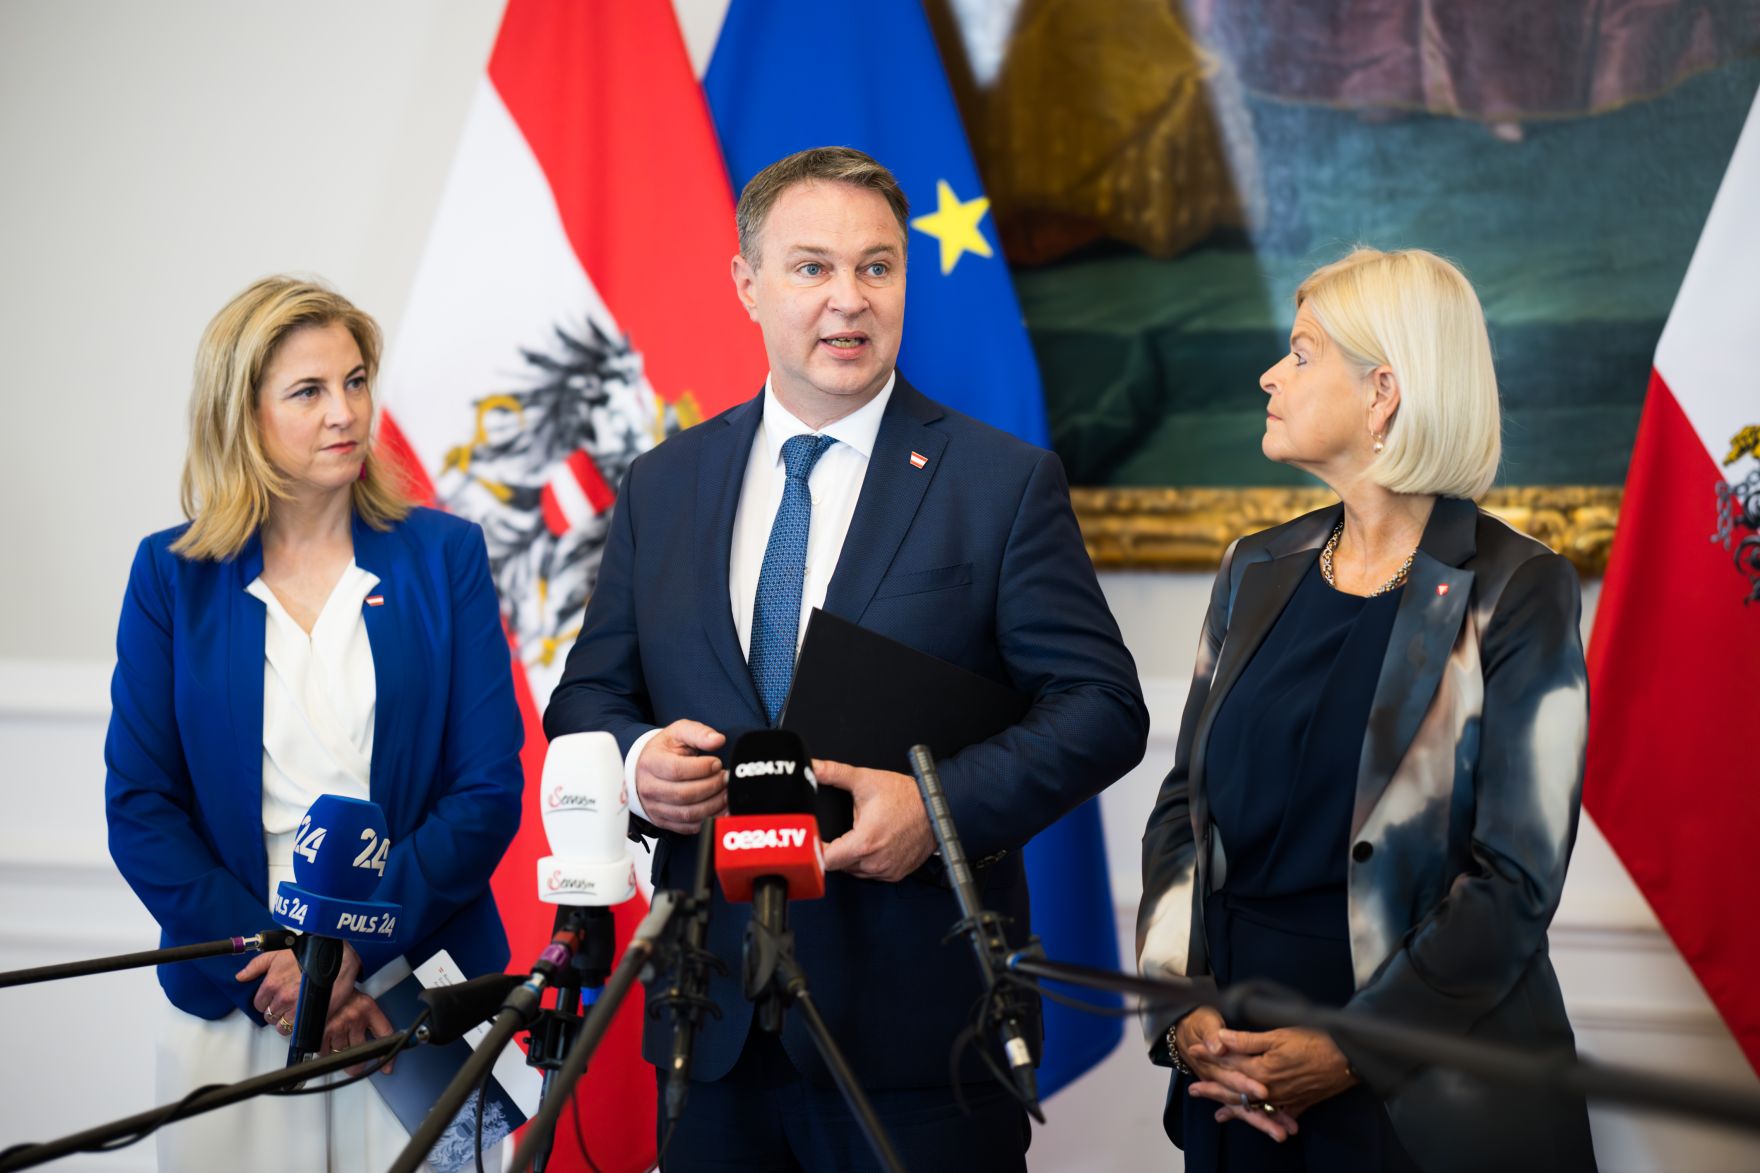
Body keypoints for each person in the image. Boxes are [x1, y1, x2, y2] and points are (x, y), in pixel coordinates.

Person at [545, 146, 1150, 1171]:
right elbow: (589, 696)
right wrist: (637, 758)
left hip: (918, 1040)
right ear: (746, 285)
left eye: (877, 267)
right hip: (712, 1027)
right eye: (811, 267)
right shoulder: (662, 484)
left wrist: (936, 808)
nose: (848, 300)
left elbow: (1101, 707)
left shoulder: (997, 483)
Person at [1137, 247, 1598, 1172]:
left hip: (1424, 1097)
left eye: (1301, 353)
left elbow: (1514, 878)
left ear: (1383, 390)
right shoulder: (1253, 568)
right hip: (1234, 1079)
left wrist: (1353, 1046)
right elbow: (1182, 808)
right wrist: (1182, 1011)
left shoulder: (1516, 589)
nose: (1271, 373)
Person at [104, 276, 524, 1169]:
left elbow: (486, 791)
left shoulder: (445, 555)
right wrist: (282, 968)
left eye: (358, 380)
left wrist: (338, 957)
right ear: (243, 415)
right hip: (243, 997)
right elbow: (142, 805)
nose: (347, 411)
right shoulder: (170, 576)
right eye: (309, 390)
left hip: (414, 995)